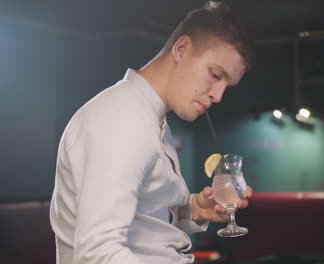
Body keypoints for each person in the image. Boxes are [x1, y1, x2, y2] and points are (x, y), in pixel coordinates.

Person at [49, 1, 254, 263]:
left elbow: (145, 219)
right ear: (181, 49)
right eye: (215, 74)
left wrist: (194, 210)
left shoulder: (148, 117)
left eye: (228, 85)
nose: (218, 95)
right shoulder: (122, 118)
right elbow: (97, 253)